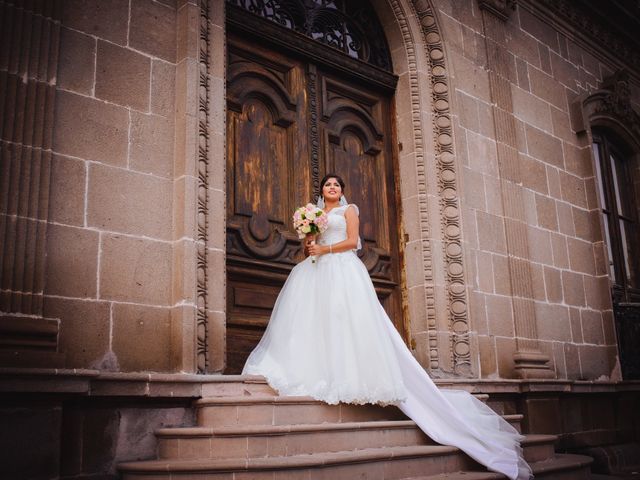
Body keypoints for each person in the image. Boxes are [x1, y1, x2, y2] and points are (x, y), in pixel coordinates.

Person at [242, 174, 533, 480]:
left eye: (337, 185)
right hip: (315, 272)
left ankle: (351, 376)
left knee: (345, 320)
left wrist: (325, 251)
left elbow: (352, 242)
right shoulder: (314, 215)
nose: (332, 188)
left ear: (341, 191)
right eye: (328, 185)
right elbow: (309, 248)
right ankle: (321, 372)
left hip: (342, 270)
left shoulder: (348, 210)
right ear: (321, 191)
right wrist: (310, 240)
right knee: (314, 322)